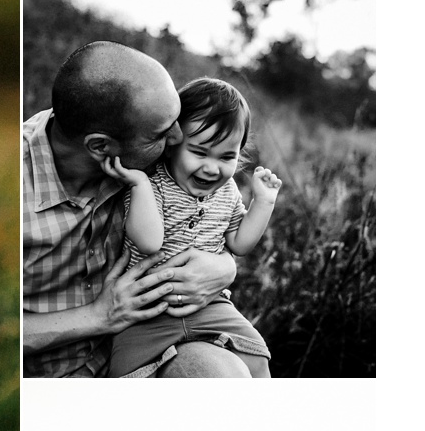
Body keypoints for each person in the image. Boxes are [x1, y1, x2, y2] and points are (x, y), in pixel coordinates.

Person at [21, 42, 245, 377]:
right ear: (100, 147)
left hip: (153, 346)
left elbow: (208, 222)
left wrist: (224, 266)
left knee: (217, 374)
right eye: (160, 133)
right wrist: (98, 316)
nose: (178, 138)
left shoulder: (150, 167)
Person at [109, 77, 280, 377]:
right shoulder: (152, 185)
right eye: (199, 152)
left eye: (227, 156)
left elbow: (240, 243)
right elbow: (149, 243)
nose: (213, 168)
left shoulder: (227, 192)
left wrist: (263, 202)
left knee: (258, 358)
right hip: (145, 311)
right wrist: (138, 183)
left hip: (209, 304)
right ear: (172, 144)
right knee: (126, 376)